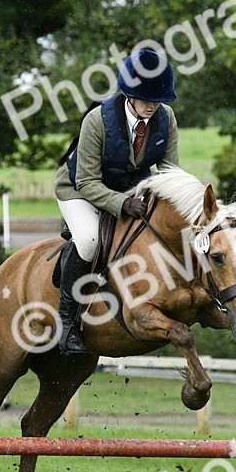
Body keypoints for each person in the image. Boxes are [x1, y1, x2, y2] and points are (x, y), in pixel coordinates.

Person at [52, 48, 180, 354]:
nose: (153, 105)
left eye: (157, 99)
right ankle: (66, 324)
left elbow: (170, 172)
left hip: (129, 186)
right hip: (79, 188)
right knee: (90, 240)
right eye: (146, 98)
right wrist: (122, 205)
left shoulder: (166, 118)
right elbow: (86, 181)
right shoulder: (97, 121)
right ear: (129, 94)